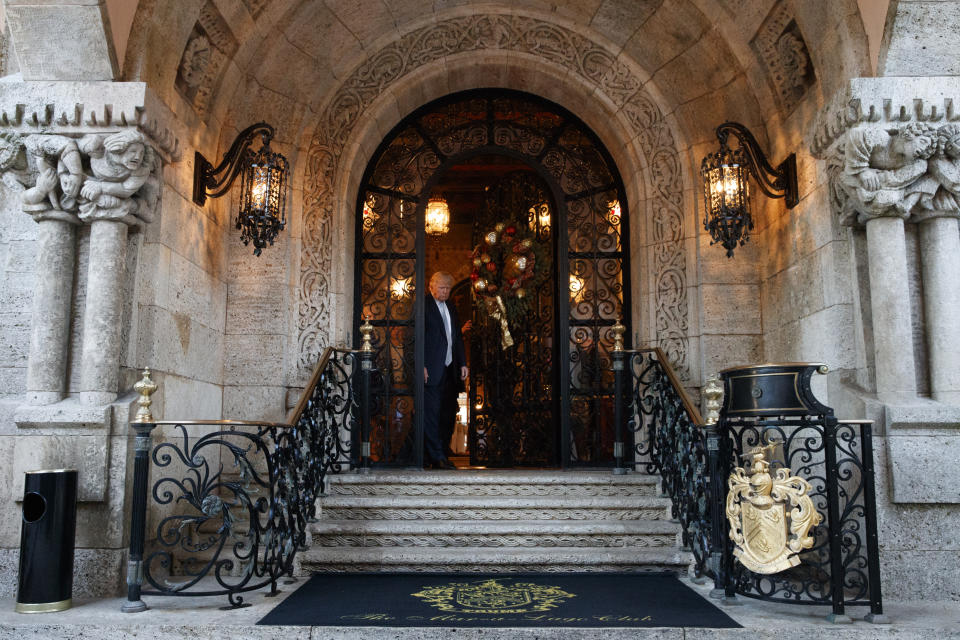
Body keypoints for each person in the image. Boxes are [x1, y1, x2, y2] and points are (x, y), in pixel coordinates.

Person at [423, 271, 468, 470]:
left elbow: (456, 337)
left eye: (448, 288)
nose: (445, 292)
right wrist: (421, 365)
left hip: (451, 370)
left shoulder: (450, 306)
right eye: (441, 288)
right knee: (431, 415)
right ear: (431, 287)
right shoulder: (423, 305)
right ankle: (435, 457)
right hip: (431, 369)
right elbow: (417, 337)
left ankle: (442, 453)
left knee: (447, 414)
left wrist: (463, 363)